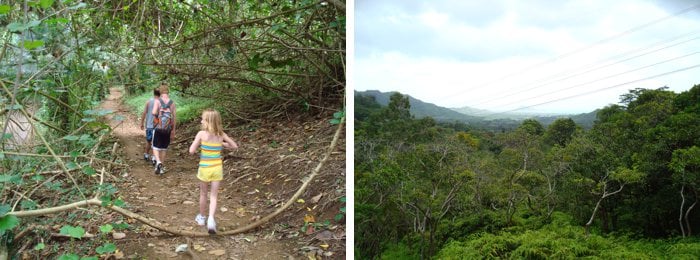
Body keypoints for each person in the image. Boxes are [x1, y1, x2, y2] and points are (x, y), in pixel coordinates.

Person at [188, 109, 238, 234]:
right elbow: (234, 146)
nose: (201, 121)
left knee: (203, 194)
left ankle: (201, 218)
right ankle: (211, 219)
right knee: (214, 196)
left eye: (203, 119)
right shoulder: (221, 134)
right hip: (217, 168)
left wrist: (197, 144)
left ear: (207, 121)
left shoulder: (201, 134)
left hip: (204, 168)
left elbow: (191, 151)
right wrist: (223, 144)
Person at [151, 83, 176, 175]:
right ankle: (161, 168)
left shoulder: (158, 101)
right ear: (168, 91)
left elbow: (153, 112)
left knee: (155, 147)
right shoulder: (172, 102)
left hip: (158, 127)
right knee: (164, 148)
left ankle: (158, 162)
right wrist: (173, 131)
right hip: (168, 129)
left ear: (160, 92)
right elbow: (174, 118)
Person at [139, 88, 160, 165]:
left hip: (149, 126)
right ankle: (154, 157)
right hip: (158, 126)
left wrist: (141, 123)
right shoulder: (161, 102)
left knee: (148, 141)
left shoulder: (148, 102)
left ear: (153, 93)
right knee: (156, 143)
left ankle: (146, 155)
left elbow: (144, 113)